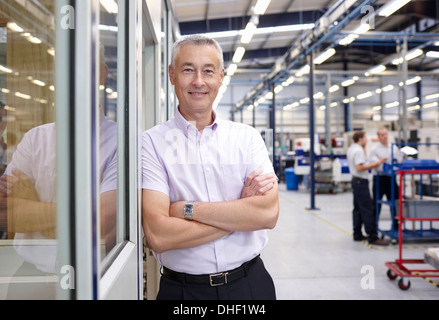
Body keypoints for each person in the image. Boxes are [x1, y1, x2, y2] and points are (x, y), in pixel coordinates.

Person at [142, 34, 279, 300]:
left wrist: (185, 210)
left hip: (250, 285)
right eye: (188, 70)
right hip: (182, 292)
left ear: (221, 77)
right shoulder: (151, 143)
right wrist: (241, 215)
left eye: (208, 71)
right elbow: (159, 234)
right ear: (172, 75)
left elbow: (268, 214)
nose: (198, 81)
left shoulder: (247, 137)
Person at [0, 44, 117, 299]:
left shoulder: (122, 142)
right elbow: (5, 213)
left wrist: (31, 202)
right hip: (28, 278)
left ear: (102, 74)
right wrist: (76, 217)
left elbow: (98, 224)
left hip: (91, 280)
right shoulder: (35, 138)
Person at [347, 131, 389, 245]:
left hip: (355, 180)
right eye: (365, 137)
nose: (367, 140)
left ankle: (357, 234)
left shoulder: (352, 148)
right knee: (367, 209)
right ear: (360, 138)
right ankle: (373, 237)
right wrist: (377, 163)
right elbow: (360, 167)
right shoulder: (358, 150)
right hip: (361, 181)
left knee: (358, 209)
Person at [369, 127, 404, 231]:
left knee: (394, 204)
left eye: (386, 134)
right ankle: (373, 230)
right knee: (376, 205)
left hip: (391, 179)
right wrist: (380, 161)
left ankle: (396, 228)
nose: (385, 137)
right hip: (379, 179)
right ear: (378, 137)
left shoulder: (393, 148)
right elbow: (373, 163)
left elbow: (399, 161)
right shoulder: (374, 149)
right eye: (382, 135)